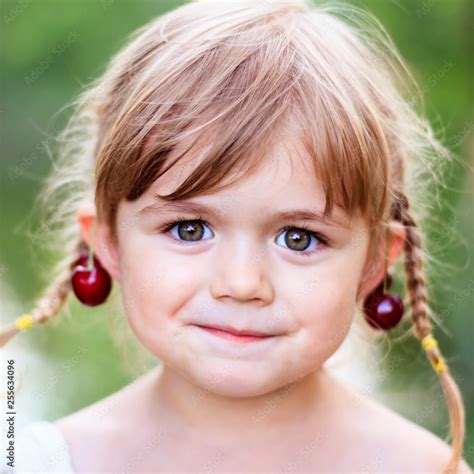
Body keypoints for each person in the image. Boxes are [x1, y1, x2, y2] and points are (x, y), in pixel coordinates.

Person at [1, 0, 472, 472]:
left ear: (374, 263)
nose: (242, 283)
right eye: (189, 229)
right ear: (108, 244)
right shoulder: (37, 462)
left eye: (299, 238)